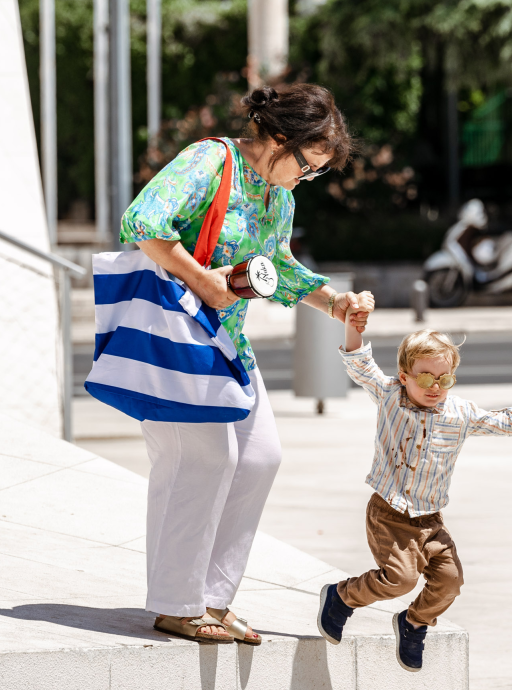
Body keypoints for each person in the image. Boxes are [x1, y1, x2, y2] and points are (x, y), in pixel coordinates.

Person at [120, 84, 372, 644]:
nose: (306, 179)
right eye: (306, 166)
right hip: (176, 338)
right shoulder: (211, 159)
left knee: (260, 457)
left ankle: (212, 597)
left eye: (315, 174)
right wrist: (203, 278)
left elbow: (277, 268)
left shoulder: (279, 196)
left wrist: (336, 304)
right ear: (281, 139)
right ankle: (176, 603)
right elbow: (142, 221)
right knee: (203, 459)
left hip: (226, 341)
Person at [317, 315, 512, 671]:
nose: (434, 386)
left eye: (444, 379)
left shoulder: (460, 413)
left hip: (431, 519)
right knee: (400, 580)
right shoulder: (390, 394)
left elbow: (499, 422)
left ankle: (414, 624)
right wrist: (353, 326)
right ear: (405, 376)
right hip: (389, 514)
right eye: (425, 377)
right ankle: (341, 597)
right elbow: (360, 365)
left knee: (451, 580)